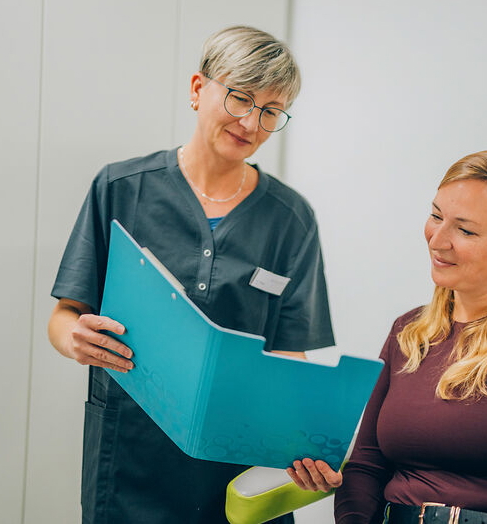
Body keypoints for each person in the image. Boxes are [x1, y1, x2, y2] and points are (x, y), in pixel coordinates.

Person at [47, 25, 334, 524]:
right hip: (130, 455)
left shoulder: (291, 218)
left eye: (270, 111)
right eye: (240, 98)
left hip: (239, 461)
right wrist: (73, 338)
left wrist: (302, 434)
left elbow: (291, 350)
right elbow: (66, 315)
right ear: (200, 89)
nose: (251, 121)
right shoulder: (120, 188)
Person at [288, 149, 487, 523]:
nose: (437, 240)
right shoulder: (408, 332)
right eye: (436, 216)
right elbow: (367, 467)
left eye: (465, 229)